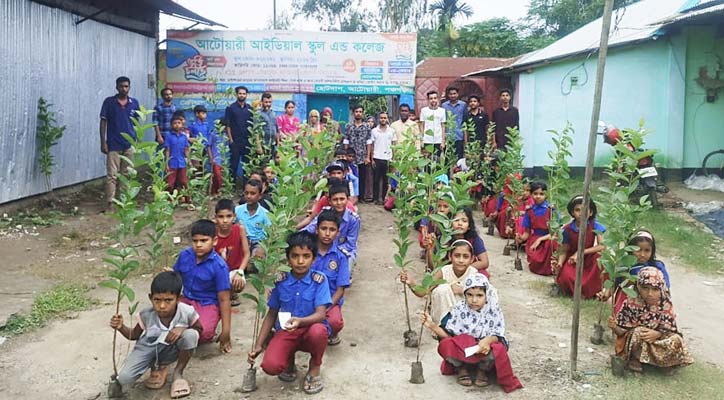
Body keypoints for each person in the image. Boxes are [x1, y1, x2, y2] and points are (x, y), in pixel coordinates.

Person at [247, 231, 331, 394]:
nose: (300, 261)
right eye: (295, 256)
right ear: (288, 258)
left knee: (319, 331)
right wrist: (258, 345)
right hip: (286, 331)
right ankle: (289, 360)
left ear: (313, 259)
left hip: (309, 330)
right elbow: (271, 314)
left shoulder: (319, 280)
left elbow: (321, 314)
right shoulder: (280, 280)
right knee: (270, 366)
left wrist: (300, 321)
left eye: (306, 256)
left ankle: (314, 366)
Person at [420, 273, 523, 392]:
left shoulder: (493, 309)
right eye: (469, 295)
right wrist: (432, 325)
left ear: (487, 295)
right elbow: (449, 335)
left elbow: (498, 335)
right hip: (464, 349)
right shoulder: (459, 308)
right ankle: (461, 367)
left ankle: (482, 369)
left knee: (498, 349)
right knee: (446, 344)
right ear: (464, 294)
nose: (474, 300)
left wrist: (487, 341)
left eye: (479, 295)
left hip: (484, 349)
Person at [110, 271, 201, 398]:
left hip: (171, 347)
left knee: (191, 335)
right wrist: (120, 327)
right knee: (125, 378)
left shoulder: (187, 312)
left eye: (168, 300)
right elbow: (134, 335)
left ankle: (178, 373)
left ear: (179, 299)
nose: (162, 306)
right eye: (157, 300)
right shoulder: (146, 315)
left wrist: (182, 328)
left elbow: (199, 329)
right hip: (149, 349)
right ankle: (156, 367)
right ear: (150, 297)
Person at [608, 267, 693, 373]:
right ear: (638, 287)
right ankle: (636, 360)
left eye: (655, 289)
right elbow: (622, 333)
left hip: (658, 340)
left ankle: (665, 363)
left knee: (676, 339)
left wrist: (657, 334)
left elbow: (670, 329)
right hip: (639, 342)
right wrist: (614, 326)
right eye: (645, 288)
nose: (650, 293)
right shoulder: (631, 303)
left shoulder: (665, 303)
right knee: (638, 332)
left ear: (661, 288)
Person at [172, 219, 232, 351]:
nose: (198, 245)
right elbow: (175, 277)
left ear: (214, 241)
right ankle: (183, 330)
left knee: (204, 333)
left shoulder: (219, 266)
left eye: (204, 241)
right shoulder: (184, 256)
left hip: (207, 303)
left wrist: (226, 332)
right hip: (185, 299)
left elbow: (224, 299)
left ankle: (185, 330)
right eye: (195, 241)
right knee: (162, 315)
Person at [401, 240, 479, 324]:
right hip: (442, 317)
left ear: (472, 259)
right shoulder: (444, 271)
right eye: (457, 256)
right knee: (442, 289)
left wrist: (462, 290)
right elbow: (424, 292)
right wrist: (411, 283)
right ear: (450, 256)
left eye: (465, 257)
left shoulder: (474, 274)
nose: (461, 260)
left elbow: (483, 298)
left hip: (465, 319)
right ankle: (441, 326)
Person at [99, 76, 140, 211]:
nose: (124, 89)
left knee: (126, 175)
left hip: (129, 145)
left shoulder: (134, 103)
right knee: (112, 175)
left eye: (126, 86)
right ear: (117, 87)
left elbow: (136, 123)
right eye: (121, 86)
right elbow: (103, 122)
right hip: (113, 144)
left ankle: (123, 202)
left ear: (129, 87)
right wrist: (103, 141)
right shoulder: (109, 102)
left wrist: (137, 140)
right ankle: (110, 203)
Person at [606, 230, 671, 314]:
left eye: (647, 250)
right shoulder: (624, 266)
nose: (642, 254)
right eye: (638, 250)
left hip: (651, 301)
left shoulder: (657, 266)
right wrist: (606, 294)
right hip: (626, 299)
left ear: (652, 251)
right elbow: (615, 283)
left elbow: (666, 288)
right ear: (630, 249)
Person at [554, 195, 606, 299]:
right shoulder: (567, 229)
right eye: (577, 210)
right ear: (572, 213)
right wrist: (559, 263)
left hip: (588, 258)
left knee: (600, 259)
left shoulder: (595, 225)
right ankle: (577, 292)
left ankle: (592, 291)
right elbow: (565, 249)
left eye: (585, 210)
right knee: (567, 276)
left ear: (591, 212)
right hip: (573, 260)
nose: (581, 213)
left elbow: (602, 246)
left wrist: (581, 252)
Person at [312, 210, 351, 346]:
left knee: (335, 322)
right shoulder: (307, 252)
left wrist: (326, 307)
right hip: (307, 297)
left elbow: (340, 290)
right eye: (323, 229)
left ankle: (332, 333)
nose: (327, 233)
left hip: (329, 301)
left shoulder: (341, 257)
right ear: (316, 230)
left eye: (332, 229)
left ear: (338, 232)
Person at [304, 184, 360, 265]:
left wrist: (331, 251)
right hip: (323, 248)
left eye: (342, 199)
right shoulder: (324, 213)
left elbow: (350, 244)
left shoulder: (353, 219)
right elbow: (310, 229)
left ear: (347, 200)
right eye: (335, 199)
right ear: (329, 201)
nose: (339, 202)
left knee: (345, 265)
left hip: (344, 250)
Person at [214, 199, 250, 306]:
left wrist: (240, 272)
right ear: (215, 217)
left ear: (234, 216)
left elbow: (247, 254)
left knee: (239, 283)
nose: (225, 220)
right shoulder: (212, 232)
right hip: (216, 271)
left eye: (228, 216)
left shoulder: (240, 230)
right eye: (221, 217)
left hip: (233, 270)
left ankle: (232, 293)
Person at [517, 182, 556, 276]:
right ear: (531, 195)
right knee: (534, 256)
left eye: (541, 194)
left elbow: (555, 232)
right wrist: (521, 238)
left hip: (548, 237)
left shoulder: (551, 210)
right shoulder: (529, 211)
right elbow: (527, 233)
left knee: (552, 243)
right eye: (535, 194)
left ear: (546, 195)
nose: (538, 196)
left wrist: (540, 239)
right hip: (534, 239)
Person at [189, 105, 223, 196]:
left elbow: (208, 139)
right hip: (196, 150)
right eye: (203, 113)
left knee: (203, 169)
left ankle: (202, 189)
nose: (205, 115)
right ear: (197, 114)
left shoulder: (206, 125)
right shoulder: (193, 126)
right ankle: (194, 189)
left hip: (204, 149)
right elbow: (189, 137)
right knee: (195, 169)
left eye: (205, 113)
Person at [235, 179, 271, 260]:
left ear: (260, 196)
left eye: (253, 193)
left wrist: (262, 248)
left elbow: (268, 235)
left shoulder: (265, 214)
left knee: (257, 257)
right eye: (246, 193)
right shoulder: (237, 210)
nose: (249, 196)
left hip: (257, 243)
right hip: (240, 241)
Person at [224, 86, 253, 183]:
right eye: (240, 93)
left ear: (246, 95)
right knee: (234, 165)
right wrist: (231, 140)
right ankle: (232, 186)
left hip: (247, 141)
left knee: (247, 165)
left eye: (244, 94)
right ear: (237, 94)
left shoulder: (249, 109)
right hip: (235, 141)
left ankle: (246, 186)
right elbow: (227, 125)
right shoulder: (230, 108)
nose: (242, 95)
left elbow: (252, 125)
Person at [448, 208, 490, 275]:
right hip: (450, 271)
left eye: (464, 221)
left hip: (470, 270)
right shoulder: (445, 239)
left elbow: (485, 262)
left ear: (469, 226)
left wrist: (464, 269)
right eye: (456, 220)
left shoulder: (475, 239)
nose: (460, 223)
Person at [343, 105, 372, 201]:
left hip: (362, 156)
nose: (358, 113)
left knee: (362, 177)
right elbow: (346, 141)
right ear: (353, 113)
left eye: (360, 111)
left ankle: (361, 197)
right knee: (350, 176)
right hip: (351, 157)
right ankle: (350, 196)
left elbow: (368, 142)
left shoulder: (367, 126)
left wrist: (368, 157)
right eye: (356, 111)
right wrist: (345, 155)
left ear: (362, 113)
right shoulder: (348, 126)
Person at [367, 111, 395, 205]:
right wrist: (372, 158)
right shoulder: (374, 131)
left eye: (384, 118)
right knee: (376, 179)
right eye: (381, 118)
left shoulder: (391, 131)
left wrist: (393, 158)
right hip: (377, 157)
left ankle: (383, 198)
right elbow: (371, 145)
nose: (383, 119)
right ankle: (375, 198)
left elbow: (394, 145)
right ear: (378, 119)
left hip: (387, 158)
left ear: (387, 119)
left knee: (385, 180)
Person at [164, 115, 190, 202]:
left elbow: (186, 149)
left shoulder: (184, 137)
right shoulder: (169, 136)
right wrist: (166, 163)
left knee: (184, 182)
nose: (177, 125)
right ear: (171, 125)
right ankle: (169, 200)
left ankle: (188, 200)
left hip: (182, 162)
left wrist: (189, 161)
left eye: (179, 123)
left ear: (182, 124)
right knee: (170, 183)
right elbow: (167, 150)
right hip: (172, 162)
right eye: (174, 123)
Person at [418, 90, 446, 157]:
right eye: (431, 98)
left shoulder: (442, 111)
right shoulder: (424, 110)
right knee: (427, 162)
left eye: (435, 98)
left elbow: (443, 126)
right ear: (428, 100)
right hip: (427, 139)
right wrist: (422, 140)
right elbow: (422, 126)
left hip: (438, 140)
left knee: (437, 160)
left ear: (438, 99)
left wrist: (443, 141)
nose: (433, 100)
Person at [442, 87, 467, 159]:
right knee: (448, 159)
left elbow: (465, 121)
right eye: (450, 94)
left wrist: (465, 139)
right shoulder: (444, 105)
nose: (453, 95)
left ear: (458, 94)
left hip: (459, 135)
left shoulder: (463, 105)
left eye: (454, 93)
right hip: (448, 136)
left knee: (459, 158)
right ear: (448, 95)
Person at [259, 93, 279, 157]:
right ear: (261, 102)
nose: (268, 104)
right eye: (266, 102)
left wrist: (278, 144)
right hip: (263, 145)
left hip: (273, 145)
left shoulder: (273, 113)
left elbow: (276, 130)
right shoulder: (258, 114)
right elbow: (256, 132)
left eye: (270, 102)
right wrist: (259, 146)